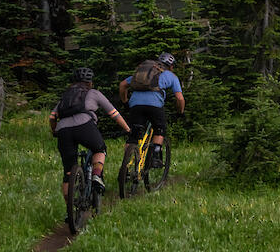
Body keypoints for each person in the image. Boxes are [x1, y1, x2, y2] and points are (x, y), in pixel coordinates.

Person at [50, 67, 131, 202]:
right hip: (84, 125)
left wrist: (55, 131)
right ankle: (96, 175)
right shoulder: (93, 93)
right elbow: (113, 114)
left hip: (63, 130)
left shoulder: (66, 96)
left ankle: (71, 210)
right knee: (99, 149)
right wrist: (127, 129)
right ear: (90, 82)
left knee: (68, 173)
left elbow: (52, 117)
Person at [118, 52, 185, 170]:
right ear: (171, 66)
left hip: (135, 105)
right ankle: (155, 157)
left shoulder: (144, 72)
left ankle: (126, 166)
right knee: (160, 129)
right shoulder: (171, 76)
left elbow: (123, 85)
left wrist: (125, 102)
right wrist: (180, 112)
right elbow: (179, 98)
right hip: (154, 105)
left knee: (133, 136)